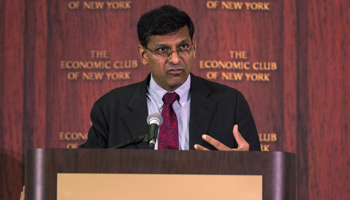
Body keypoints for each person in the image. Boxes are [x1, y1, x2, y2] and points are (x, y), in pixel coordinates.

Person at [80, 5, 260, 151]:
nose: (175, 59)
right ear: (143, 55)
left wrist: (242, 165)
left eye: (183, 47)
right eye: (162, 50)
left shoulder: (230, 103)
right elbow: (84, 170)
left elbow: (259, 175)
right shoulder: (110, 108)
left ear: (194, 47)